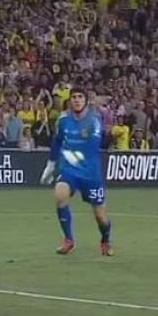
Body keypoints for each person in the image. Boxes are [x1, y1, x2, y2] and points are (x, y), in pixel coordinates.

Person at [40, 87, 113, 256]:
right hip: (69, 169)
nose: (77, 100)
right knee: (60, 196)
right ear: (70, 100)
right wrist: (51, 165)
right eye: (74, 97)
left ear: (86, 101)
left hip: (90, 173)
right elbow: (57, 141)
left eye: (80, 97)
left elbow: (93, 141)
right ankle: (68, 240)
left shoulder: (94, 119)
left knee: (101, 216)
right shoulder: (63, 119)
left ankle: (105, 240)